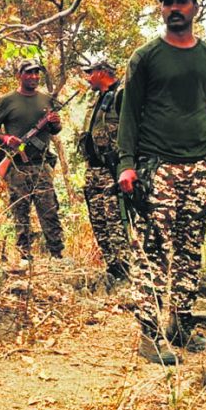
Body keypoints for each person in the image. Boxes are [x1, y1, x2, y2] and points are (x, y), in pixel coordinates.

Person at [116, 0, 206, 363]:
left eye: (181, 1)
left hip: (201, 167)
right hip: (157, 167)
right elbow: (129, 114)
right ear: (162, 9)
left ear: (194, 7)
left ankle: (181, 325)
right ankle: (149, 334)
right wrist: (126, 164)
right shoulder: (145, 57)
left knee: (190, 249)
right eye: (168, 2)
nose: (174, 8)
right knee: (154, 249)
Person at [0, 60, 65, 261]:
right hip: (17, 166)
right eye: (29, 73)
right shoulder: (7, 101)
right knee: (20, 211)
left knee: (49, 210)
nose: (34, 77)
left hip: (41, 165)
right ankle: (24, 255)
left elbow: (55, 130)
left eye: (36, 73)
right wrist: (6, 139)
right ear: (19, 75)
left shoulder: (46, 99)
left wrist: (55, 123)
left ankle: (57, 254)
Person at [77, 60, 130, 285]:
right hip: (93, 169)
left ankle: (126, 269)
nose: (87, 77)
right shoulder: (97, 99)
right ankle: (112, 267)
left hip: (112, 170)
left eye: (90, 73)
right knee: (98, 221)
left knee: (115, 220)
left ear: (101, 72)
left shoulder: (121, 95)